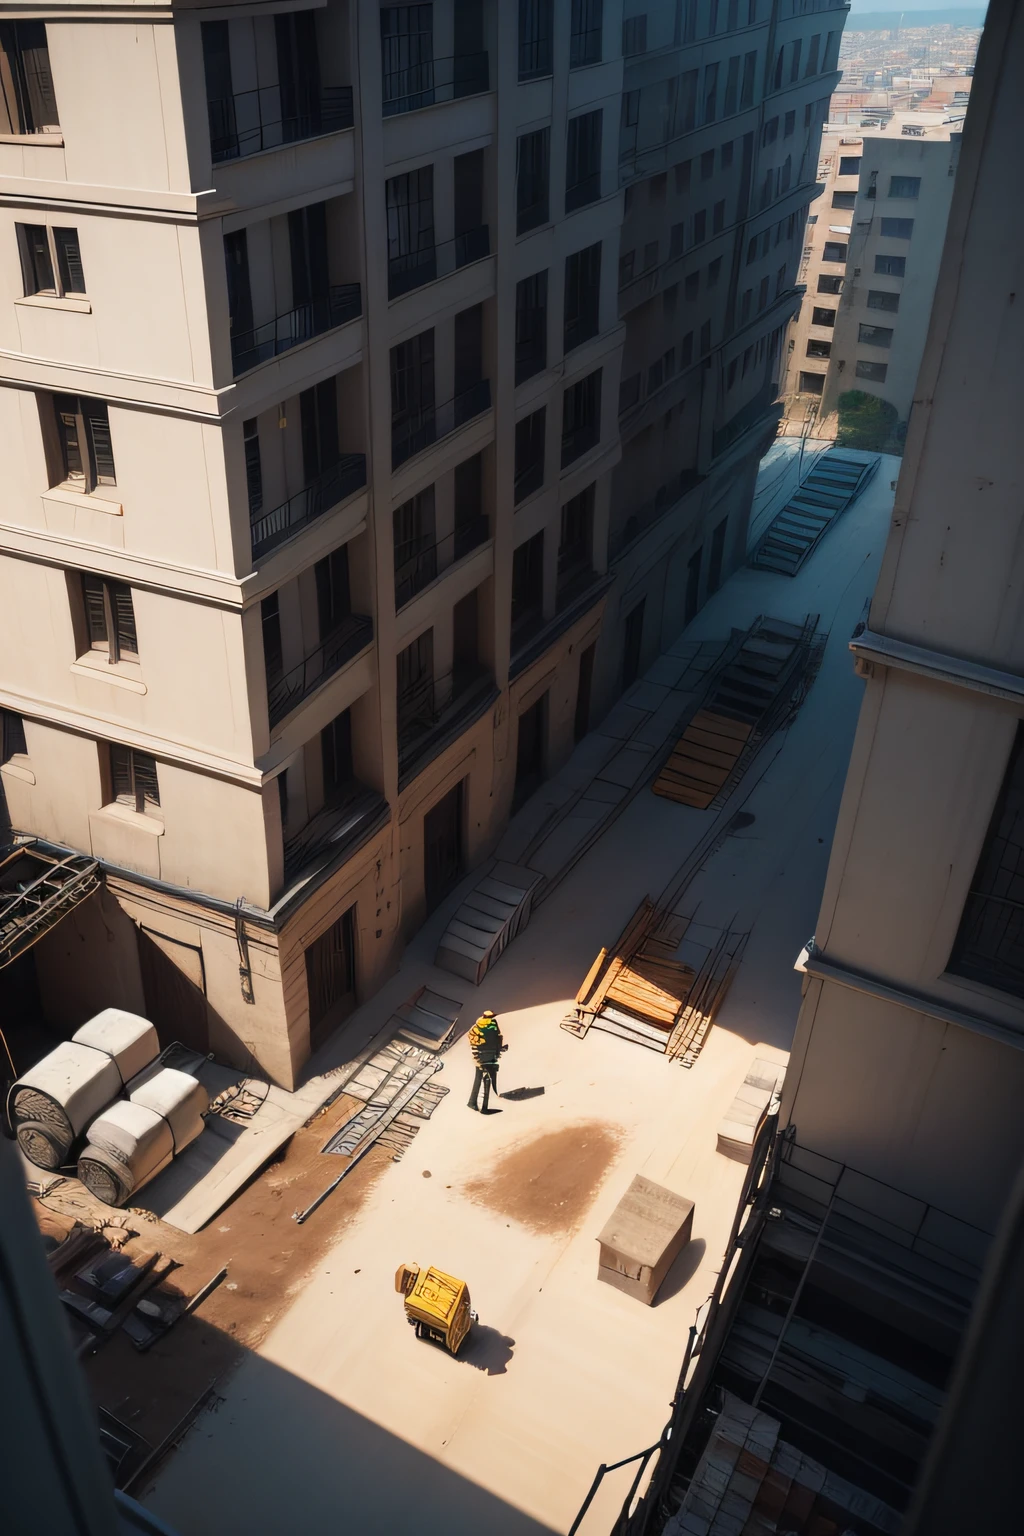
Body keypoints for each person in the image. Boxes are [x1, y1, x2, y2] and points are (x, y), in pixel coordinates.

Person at [467, 1010, 506, 1112]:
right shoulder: (492, 1026)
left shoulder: (477, 1026)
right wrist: (498, 1051)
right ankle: (483, 1106)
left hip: (479, 1056)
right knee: (487, 1078)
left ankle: (473, 1102)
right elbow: (497, 1039)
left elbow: (473, 1040)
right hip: (488, 1056)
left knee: (479, 1078)